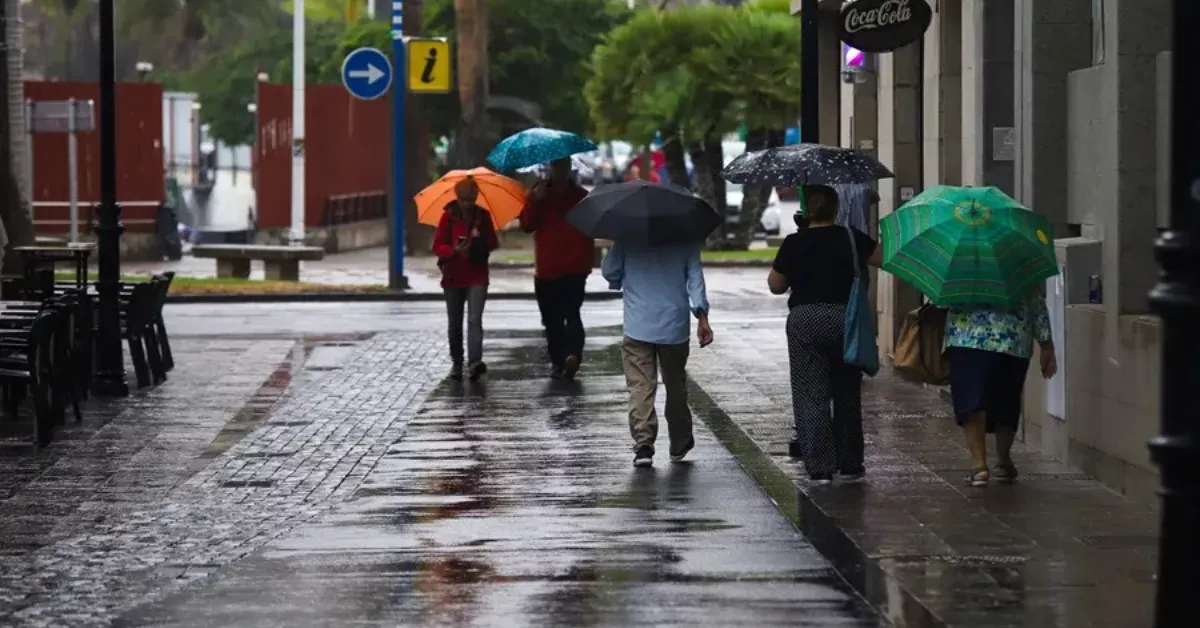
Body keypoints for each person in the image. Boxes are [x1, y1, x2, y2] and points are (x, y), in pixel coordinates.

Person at [768, 185, 882, 485]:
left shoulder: (794, 242)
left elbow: (776, 286)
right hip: (845, 319)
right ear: (835, 209)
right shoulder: (850, 237)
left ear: (806, 212)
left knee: (810, 392)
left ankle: (819, 466)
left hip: (805, 320)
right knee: (847, 391)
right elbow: (883, 259)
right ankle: (850, 462)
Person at [603, 240, 713, 468]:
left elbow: (610, 270)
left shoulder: (628, 234)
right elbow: (695, 280)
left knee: (640, 385)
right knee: (675, 384)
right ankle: (680, 440)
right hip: (674, 324)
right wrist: (702, 316)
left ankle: (644, 443)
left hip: (638, 324)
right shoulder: (685, 237)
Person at [945, 295, 1056, 487]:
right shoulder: (1019, 264)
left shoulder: (958, 265)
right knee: (1007, 399)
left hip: (966, 336)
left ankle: (979, 465)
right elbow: (1035, 302)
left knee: (970, 399)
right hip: (1012, 338)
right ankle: (1003, 460)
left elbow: (940, 298)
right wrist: (1046, 343)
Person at [519, 158, 594, 379]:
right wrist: (535, 200)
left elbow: (591, 227)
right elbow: (526, 224)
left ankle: (570, 357)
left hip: (572, 265)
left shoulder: (580, 196)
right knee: (553, 318)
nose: (559, 170)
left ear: (569, 168)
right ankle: (560, 360)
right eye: (556, 166)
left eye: (563, 166)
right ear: (550, 168)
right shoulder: (540, 193)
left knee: (570, 313)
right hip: (549, 266)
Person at [432, 177, 499, 381]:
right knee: (455, 322)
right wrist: (453, 251)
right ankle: (457, 362)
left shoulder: (483, 216)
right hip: (453, 276)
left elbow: (493, 243)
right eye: (463, 199)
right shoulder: (448, 217)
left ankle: (475, 362)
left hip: (477, 274)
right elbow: (437, 246)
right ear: (457, 197)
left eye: (471, 199)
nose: (467, 203)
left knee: (474, 320)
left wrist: (479, 241)